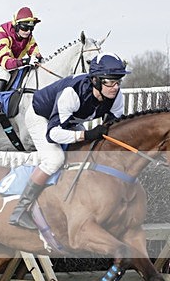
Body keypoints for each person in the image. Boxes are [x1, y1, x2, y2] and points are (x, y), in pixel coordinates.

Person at [8, 53, 130, 229]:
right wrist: (85, 135)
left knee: (90, 152)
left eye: (118, 81)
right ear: (95, 80)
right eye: (109, 82)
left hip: (70, 119)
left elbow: (112, 128)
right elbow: (53, 133)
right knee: (54, 159)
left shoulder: (117, 97)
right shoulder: (72, 93)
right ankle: (20, 210)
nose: (115, 87)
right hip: (41, 117)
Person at [0, 6, 43, 119]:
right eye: (25, 28)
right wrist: (26, 60)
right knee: (3, 74)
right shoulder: (2, 35)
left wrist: (38, 58)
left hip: (5, 64)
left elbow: (35, 52)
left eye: (31, 28)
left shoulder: (28, 36)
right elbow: (6, 64)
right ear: (16, 25)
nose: (28, 32)